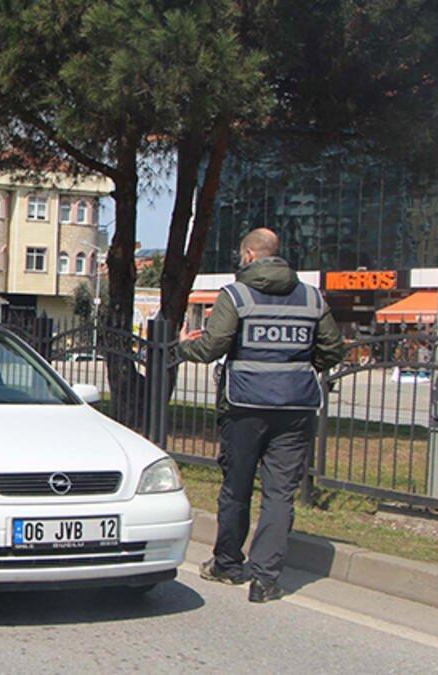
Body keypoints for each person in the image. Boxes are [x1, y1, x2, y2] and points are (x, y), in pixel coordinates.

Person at [178, 228, 345, 603]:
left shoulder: (235, 295)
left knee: (236, 487)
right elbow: (333, 349)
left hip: (244, 406)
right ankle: (266, 580)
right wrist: (300, 366)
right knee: (279, 493)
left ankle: (228, 564)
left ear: (250, 256)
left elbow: (214, 345)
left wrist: (186, 347)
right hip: (296, 408)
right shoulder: (312, 297)